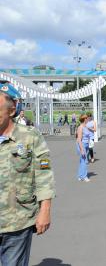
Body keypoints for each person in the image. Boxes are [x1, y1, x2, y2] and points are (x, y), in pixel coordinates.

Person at [0, 83, 55, 266]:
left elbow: (44, 174)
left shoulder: (30, 137)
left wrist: (45, 210)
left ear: (11, 110)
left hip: (17, 222)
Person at [76, 114, 91, 182]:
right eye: (87, 118)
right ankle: (84, 176)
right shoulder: (81, 127)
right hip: (82, 145)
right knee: (85, 161)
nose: (88, 119)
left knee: (82, 161)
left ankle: (80, 176)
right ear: (84, 119)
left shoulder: (86, 126)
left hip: (86, 144)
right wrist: (82, 149)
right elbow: (79, 139)